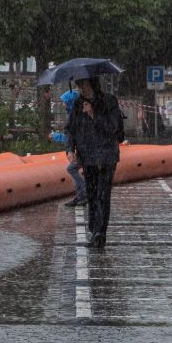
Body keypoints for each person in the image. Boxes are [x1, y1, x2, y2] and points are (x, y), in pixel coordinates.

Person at [65, 75, 124, 249]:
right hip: (88, 157)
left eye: (84, 85)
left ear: (93, 84)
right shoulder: (77, 105)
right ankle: (94, 230)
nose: (81, 89)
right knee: (92, 194)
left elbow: (114, 129)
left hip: (106, 156)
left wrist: (94, 115)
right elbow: (70, 128)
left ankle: (100, 233)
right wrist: (70, 148)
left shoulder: (109, 102)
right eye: (79, 86)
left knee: (103, 195)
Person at [51, 89, 86, 207]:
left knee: (72, 169)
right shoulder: (76, 114)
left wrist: (57, 137)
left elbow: (72, 136)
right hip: (82, 149)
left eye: (65, 102)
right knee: (73, 169)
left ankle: (84, 192)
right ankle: (80, 195)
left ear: (70, 102)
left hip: (83, 150)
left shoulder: (76, 116)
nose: (63, 104)